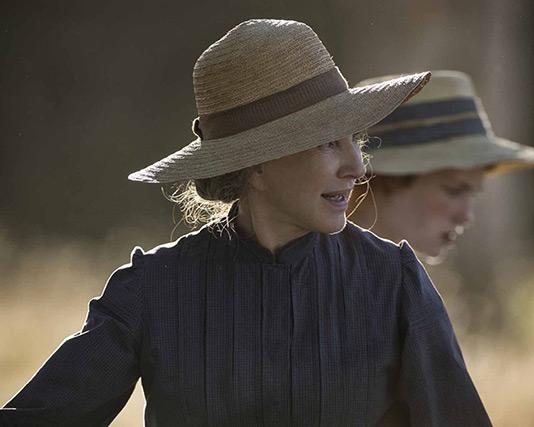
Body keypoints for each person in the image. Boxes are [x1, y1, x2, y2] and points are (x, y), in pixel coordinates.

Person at [1, 21, 492, 426]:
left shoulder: (394, 283)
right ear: (255, 164)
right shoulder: (150, 292)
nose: (357, 166)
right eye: (328, 142)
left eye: (354, 139)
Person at [349, 70, 534, 260]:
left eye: (472, 193)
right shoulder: (325, 279)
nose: (466, 216)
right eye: (453, 190)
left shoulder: (396, 282)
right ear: (389, 179)